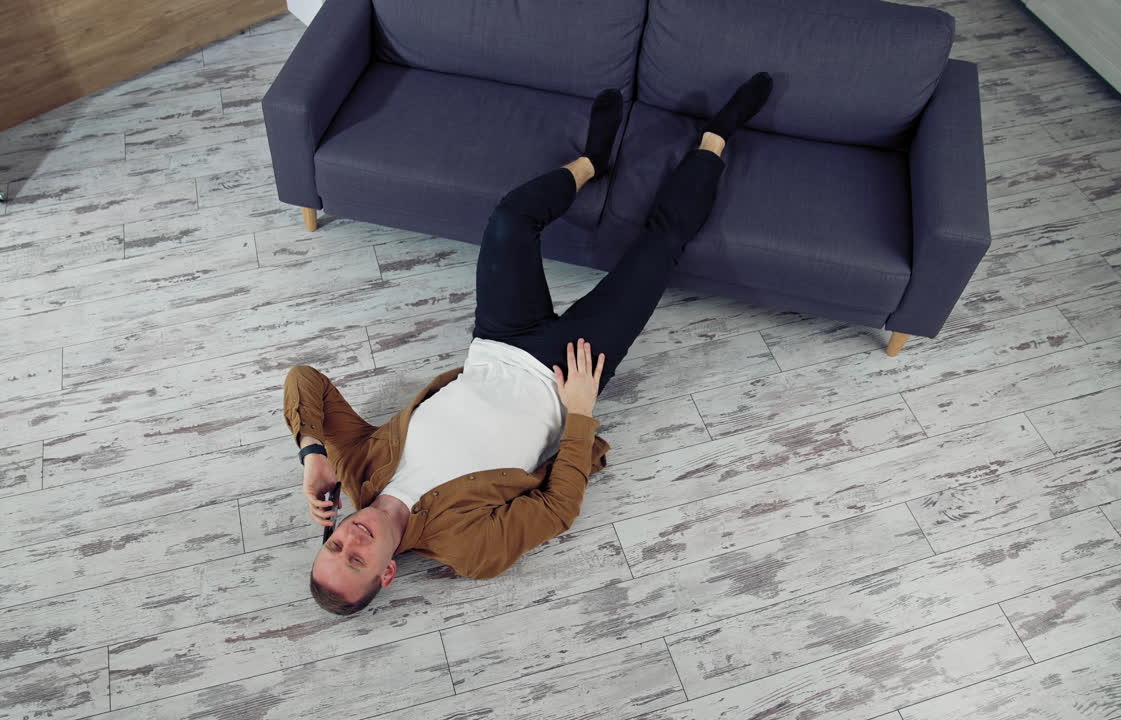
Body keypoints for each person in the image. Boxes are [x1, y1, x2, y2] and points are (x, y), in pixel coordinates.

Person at [284, 73, 774, 615]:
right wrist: (579, 412)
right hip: (566, 374)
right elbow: (558, 508)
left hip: (497, 341)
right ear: (388, 573)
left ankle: (591, 162)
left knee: (510, 221)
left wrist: (312, 454)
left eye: (334, 545)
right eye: (356, 560)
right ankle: (716, 139)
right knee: (657, 251)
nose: (350, 539)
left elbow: (305, 380)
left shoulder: (355, 470)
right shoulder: (469, 550)